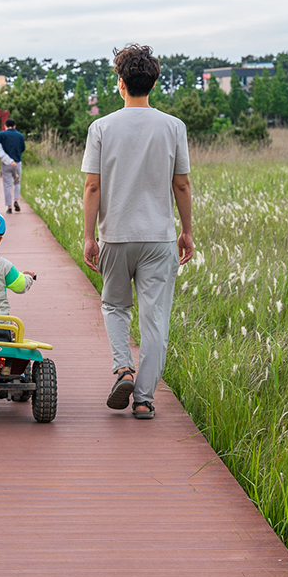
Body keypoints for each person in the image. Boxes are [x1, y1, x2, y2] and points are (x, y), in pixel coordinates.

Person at [82, 44, 193, 420]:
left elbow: (92, 187)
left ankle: (122, 369)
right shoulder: (173, 127)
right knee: (155, 318)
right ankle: (144, 399)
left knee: (115, 305)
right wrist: (187, 231)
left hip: (115, 235)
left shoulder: (101, 127)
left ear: (120, 83)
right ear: (154, 82)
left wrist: (88, 236)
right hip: (159, 236)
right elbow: (181, 185)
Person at [0, 118, 25, 214]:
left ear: (5, 126)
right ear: (15, 126)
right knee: (17, 182)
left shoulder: (2, 134)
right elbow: (23, 148)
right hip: (17, 162)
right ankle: (16, 200)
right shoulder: (20, 136)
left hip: (6, 163)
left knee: (7, 185)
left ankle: (9, 207)